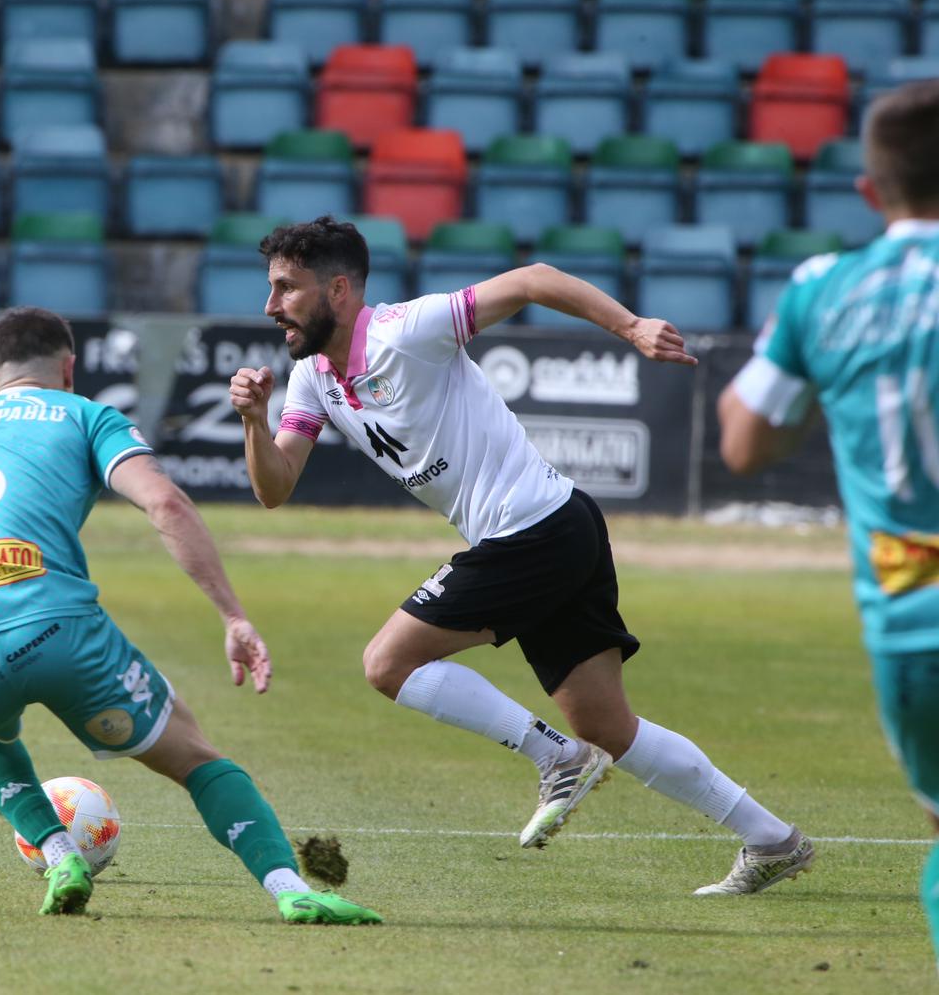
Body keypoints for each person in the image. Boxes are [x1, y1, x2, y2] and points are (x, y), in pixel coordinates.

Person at [228, 216, 813, 895]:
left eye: (286, 288)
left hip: (534, 530)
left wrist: (630, 327)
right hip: (555, 528)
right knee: (608, 724)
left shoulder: (406, 329)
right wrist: (252, 422)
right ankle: (773, 839)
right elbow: (275, 488)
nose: (271, 306)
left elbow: (533, 280)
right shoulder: (309, 383)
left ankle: (557, 759)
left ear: (337, 290)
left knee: (388, 662)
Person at [0, 305, 382, 924]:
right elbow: (166, 505)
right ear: (69, 369)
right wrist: (232, 614)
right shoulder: (87, 415)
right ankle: (290, 889)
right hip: (60, 634)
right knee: (198, 759)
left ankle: (57, 849)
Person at [718, 80, 939, 958]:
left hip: (910, 615)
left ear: (869, 191)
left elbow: (742, 441)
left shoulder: (824, 290)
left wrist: (830, 370)